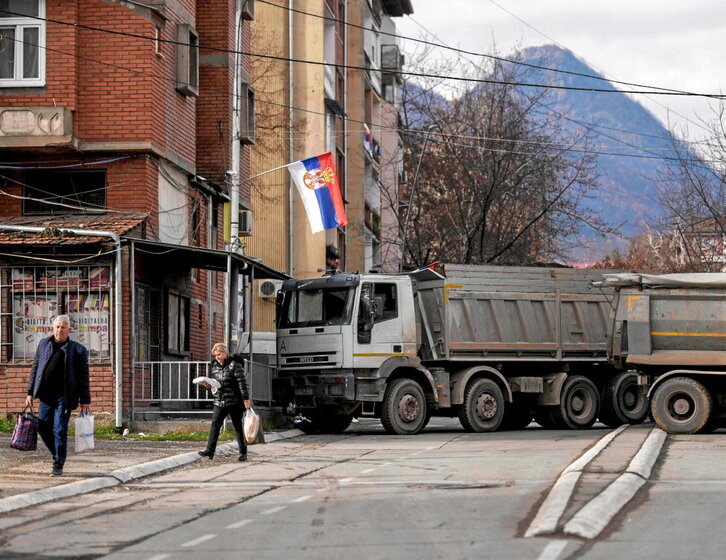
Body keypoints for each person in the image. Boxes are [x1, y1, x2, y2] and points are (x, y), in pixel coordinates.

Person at [26, 315, 90, 477]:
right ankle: (58, 452)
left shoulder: (78, 350)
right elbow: (36, 368)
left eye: (63, 327)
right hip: (46, 395)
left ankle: (58, 463)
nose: (60, 330)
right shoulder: (43, 344)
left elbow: (83, 376)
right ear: (53, 328)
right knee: (41, 426)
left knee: (59, 429)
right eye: (57, 327)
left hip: (65, 396)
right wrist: (30, 392)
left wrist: (85, 399)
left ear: (69, 329)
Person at [198, 342, 252, 461]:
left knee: (237, 426)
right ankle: (209, 451)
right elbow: (215, 384)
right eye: (215, 355)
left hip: (234, 401)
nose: (217, 357)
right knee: (215, 425)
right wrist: (208, 386)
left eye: (219, 354)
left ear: (225, 353)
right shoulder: (214, 366)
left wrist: (245, 399)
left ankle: (243, 452)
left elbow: (242, 383)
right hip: (219, 400)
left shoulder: (234, 365)